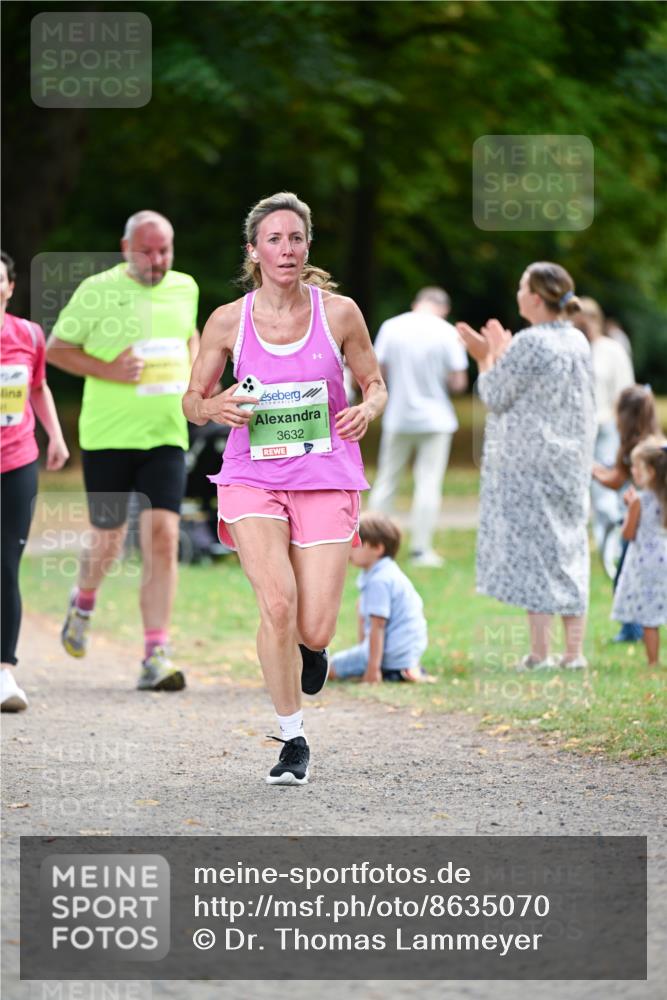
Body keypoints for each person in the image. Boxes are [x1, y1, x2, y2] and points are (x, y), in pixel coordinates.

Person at [182, 191, 386, 785]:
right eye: (274, 239)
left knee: (313, 627)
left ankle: (311, 650)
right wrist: (215, 405)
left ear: (307, 247)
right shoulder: (227, 320)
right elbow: (192, 403)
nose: (287, 248)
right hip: (253, 477)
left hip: (324, 476)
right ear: (254, 251)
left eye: (295, 238)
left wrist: (368, 409)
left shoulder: (339, 313)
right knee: (277, 603)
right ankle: (291, 739)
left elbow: (375, 382)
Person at [45, 211, 200, 692]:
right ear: (125, 247)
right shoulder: (96, 290)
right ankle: (84, 599)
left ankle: (155, 653)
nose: (157, 261)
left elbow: (190, 336)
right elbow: (56, 348)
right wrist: (108, 368)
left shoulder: (185, 287)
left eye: (165, 251)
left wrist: (195, 376)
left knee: (162, 537)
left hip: (166, 432)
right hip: (109, 434)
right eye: (147, 251)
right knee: (108, 539)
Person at [457, 261, 595, 671]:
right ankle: (573, 653)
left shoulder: (532, 343)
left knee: (538, 555)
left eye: (521, 286)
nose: (517, 293)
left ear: (535, 296)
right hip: (570, 461)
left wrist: (487, 355)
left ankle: (540, 653)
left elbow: (494, 393)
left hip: (531, 465)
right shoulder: (578, 341)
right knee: (569, 548)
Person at [1, 250, 69, 711]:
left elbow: (39, 386)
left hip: (17, 460)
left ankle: (5, 674)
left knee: (6, 563)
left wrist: (57, 437)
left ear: (8, 286)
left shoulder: (28, 335)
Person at [368, 287, 468, 568]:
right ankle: (421, 549)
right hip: (436, 418)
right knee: (428, 483)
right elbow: (458, 383)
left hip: (398, 416)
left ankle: (372, 542)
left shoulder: (392, 326)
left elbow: (379, 372)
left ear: (416, 303)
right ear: (444, 308)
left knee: (388, 480)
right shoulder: (447, 332)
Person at [329, 512, 432, 684]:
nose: (349, 548)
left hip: (391, 656)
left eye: (356, 544)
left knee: (329, 667)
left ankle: (387, 670)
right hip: (405, 654)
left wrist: (372, 671)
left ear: (378, 548)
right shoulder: (385, 573)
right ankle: (401, 669)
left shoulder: (379, 581)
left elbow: (378, 626)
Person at [592, 384, 660, 642]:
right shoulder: (656, 444)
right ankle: (639, 628)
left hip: (636, 522)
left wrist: (591, 469)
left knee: (626, 578)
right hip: (657, 527)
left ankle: (631, 629)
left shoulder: (635, 451)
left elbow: (615, 479)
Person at [573, 297, 634, 552]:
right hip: (577, 429)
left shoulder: (611, 350)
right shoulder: (574, 349)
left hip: (606, 426)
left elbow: (626, 390)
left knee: (605, 491)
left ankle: (611, 547)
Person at [611, 436, 667, 667]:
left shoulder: (640, 501)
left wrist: (629, 508)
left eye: (636, 467)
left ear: (650, 472)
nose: (632, 471)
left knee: (650, 618)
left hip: (646, 563)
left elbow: (628, 534)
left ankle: (653, 661)